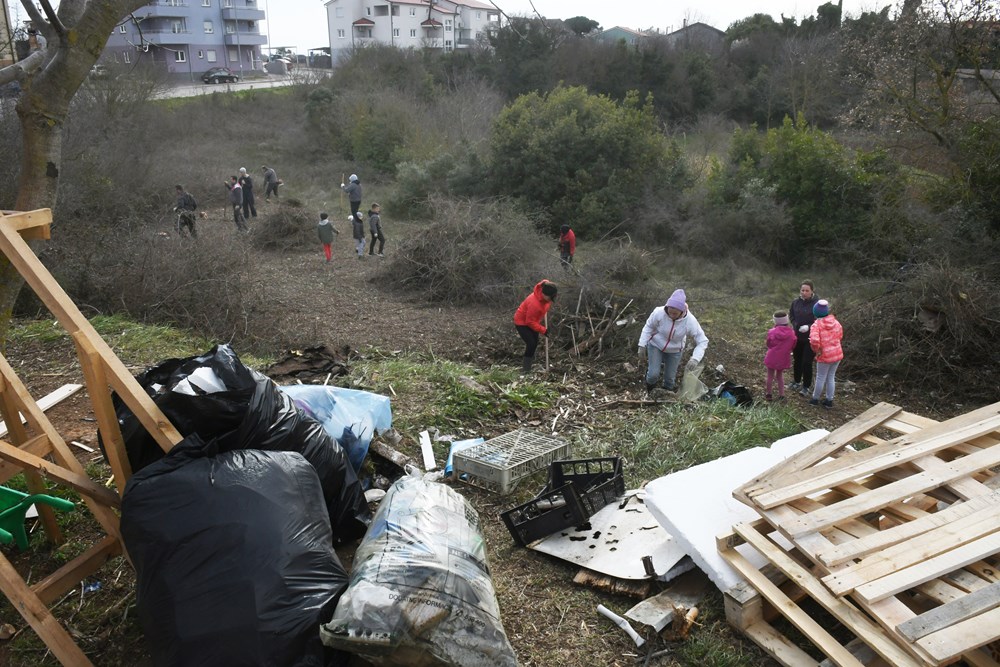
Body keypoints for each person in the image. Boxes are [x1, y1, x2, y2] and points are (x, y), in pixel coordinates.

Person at [638, 289, 708, 393]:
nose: (671, 315)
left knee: (670, 379)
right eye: (669, 312)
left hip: (675, 350)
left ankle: (666, 396)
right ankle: (649, 393)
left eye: (675, 313)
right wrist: (642, 345)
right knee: (653, 374)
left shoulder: (690, 321)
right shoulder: (659, 312)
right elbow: (648, 327)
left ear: (682, 311)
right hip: (656, 345)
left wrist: (695, 359)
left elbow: (702, 340)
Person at [513, 280, 557, 374]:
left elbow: (545, 281)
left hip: (533, 321)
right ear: (544, 294)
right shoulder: (535, 304)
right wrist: (543, 330)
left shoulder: (545, 289)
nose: (551, 299)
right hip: (522, 322)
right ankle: (526, 369)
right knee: (531, 343)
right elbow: (529, 322)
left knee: (535, 343)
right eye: (550, 297)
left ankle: (530, 362)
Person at [809, 299, 844, 409]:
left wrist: (816, 350)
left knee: (820, 377)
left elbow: (814, 341)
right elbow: (840, 335)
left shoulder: (816, 325)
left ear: (815, 313)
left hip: (824, 355)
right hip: (837, 354)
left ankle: (815, 399)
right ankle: (829, 400)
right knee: (831, 377)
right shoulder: (836, 322)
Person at [789, 280, 819, 397]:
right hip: (797, 336)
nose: (804, 293)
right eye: (802, 290)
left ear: (812, 291)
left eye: (807, 290)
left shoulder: (816, 304)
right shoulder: (795, 302)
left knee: (806, 362)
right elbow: (791, 315)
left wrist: (809, 327)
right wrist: (795, 324)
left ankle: (806, 386)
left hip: (811, 338)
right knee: (797, 360)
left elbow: (820, 320)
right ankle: (796, 381)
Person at [764, 311, 797, 401]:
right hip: (783, 357)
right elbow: (793, 345)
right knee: (780, 376)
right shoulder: (791, 333)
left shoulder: (772, 332)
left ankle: (769, 394)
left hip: (772, 356)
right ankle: (781, 395)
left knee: (770, 376)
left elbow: (769, 344)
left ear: (776, 321)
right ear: (786, 320)